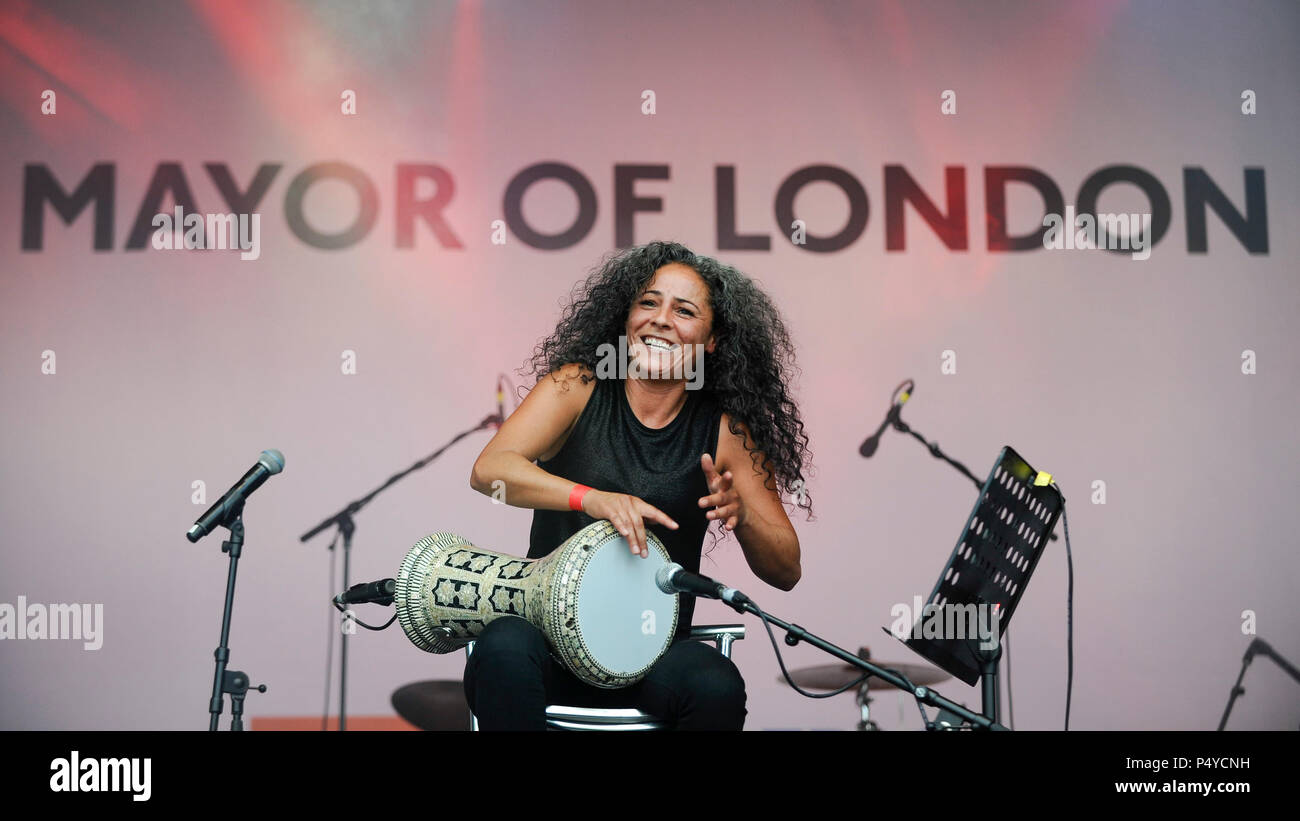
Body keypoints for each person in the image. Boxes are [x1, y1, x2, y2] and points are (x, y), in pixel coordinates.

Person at [465, 240, 813, 730]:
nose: (660, 318)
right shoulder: (577, 386)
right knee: (502, 647)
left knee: (715, 684)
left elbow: (786, 569)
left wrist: (744, 512)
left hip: (652, 658)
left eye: (685, 310)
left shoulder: (725, 431)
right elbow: (490, 470)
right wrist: (593, 499)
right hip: (547, 644)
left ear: (713, 340)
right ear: (624, 317)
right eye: (648, 302)